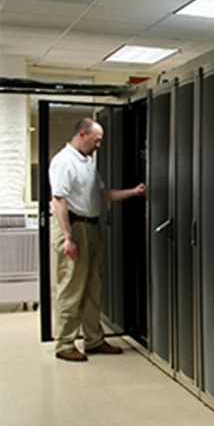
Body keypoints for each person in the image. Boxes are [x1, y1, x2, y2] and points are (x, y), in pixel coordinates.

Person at [49, 117, 146, 362]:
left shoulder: (87, 163)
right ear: (82, 134)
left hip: (91, 227)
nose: (98, 145)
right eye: (96, 140)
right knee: (71, 286)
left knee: (93, 286)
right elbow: (58, 200)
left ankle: (93, 339)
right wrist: (68, 238)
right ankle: (64, 343)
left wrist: (133, 192)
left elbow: (103, 194)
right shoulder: (64, 162)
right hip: (72, 227)